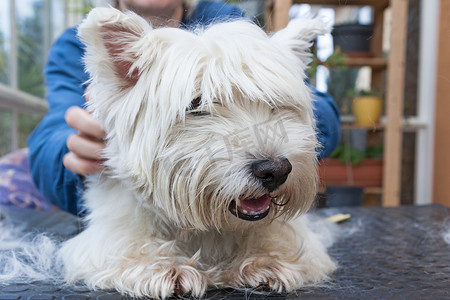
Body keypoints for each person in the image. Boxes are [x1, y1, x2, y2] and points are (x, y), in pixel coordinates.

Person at [28, 0, 340, 216]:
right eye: (198, 106)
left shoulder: (232, 22)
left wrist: (297, 122)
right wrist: (78, 154)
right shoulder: (78, 46)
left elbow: (319, 109)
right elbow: (49, 141)